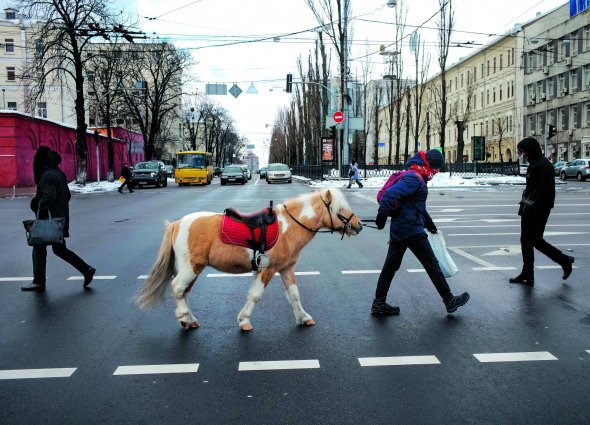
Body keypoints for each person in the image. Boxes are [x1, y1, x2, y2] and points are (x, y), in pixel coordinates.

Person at [372, 148, 470, 315]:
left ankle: (378, 303)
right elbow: (389, 196)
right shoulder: (414, 178)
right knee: (432, 264)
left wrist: (429, 223)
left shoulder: (417, 175)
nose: (437, 172)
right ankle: (449, 300)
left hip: (401, 228)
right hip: (410, 229)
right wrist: (381, 218)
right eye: (437, 168)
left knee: (390, 266)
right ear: (430, 165)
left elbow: (416, 205)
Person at [21, 148, 95, 291]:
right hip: (59, 220)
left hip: (48, 222)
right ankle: (86, 269)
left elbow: (48, 197)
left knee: (38, 248)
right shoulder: (58, 174)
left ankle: (38, 281)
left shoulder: (46, 176)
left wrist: (37, 204)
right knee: (59, 249)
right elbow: (67, 196)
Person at [509, 137, 574, 286]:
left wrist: (535, 207)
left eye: (522, 151)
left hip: (538, 210)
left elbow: (546, 192)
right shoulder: (534, 164)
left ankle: (564, 261)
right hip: (529, 208)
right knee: (526, 241)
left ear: (529, 150)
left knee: (535, 240)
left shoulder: (544, 166)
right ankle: (528, 273)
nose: (521, 155)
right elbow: (531, 188)